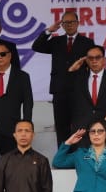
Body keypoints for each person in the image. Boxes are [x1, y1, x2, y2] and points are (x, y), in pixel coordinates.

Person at [31, 10, 95, 140]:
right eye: (66, 22)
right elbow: (36, 46)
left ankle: (79, 153)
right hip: (59, 91)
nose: (69, 25)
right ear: (62, 25)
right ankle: (63, 153)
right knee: (61, 128)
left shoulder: (87, 42)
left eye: (72, 22)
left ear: (78, 23)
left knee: (80, 128)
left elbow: (92, 65)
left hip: (79, 91)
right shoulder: (56, 41)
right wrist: (49, 31)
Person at [68, 45, 106, 135]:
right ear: (87, 60)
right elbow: (66, 92)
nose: (94, 61)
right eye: (90, 58)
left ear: (104, 60)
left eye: (97, 57)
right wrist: (71, 70)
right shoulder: (78, 78)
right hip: (82, 128)